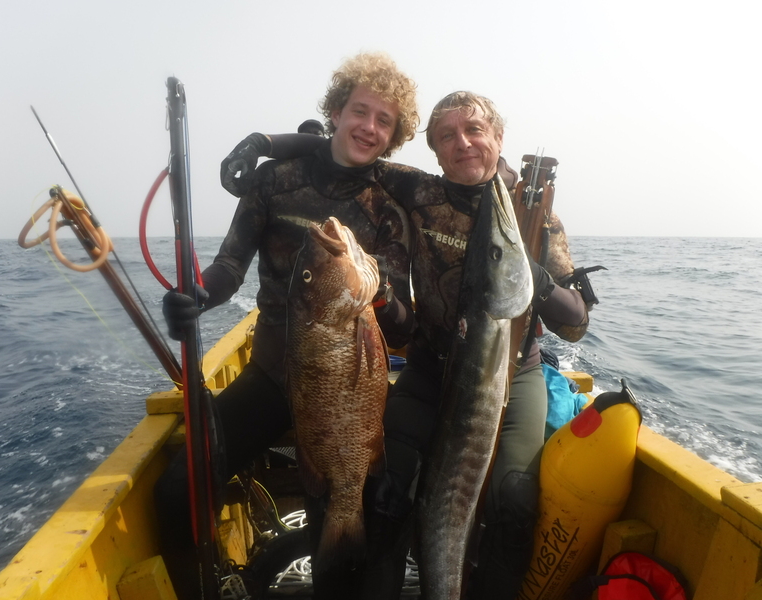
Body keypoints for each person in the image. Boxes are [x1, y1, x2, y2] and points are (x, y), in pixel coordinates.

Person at [225, 91, 592, 600]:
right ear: (435, 152)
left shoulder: (534, 218)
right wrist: (264, 143)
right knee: (385, 490)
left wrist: (536, 279)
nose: (463, 143)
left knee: (514, 499)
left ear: (498, 137)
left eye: (475, 130)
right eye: (447, 136)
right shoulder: (420, 192)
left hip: (511, 374)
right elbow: (345, 148)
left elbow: (575, 326)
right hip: (429, 369)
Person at [155, 51, 420, 600]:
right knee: (179, 489)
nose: (368, 127)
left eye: (384, 120)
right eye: (359, 111)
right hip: (276, 375)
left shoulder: (390, 205)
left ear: (393, 135)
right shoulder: (274, 181)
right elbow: (230, 265)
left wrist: (381, 293)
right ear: (336, 111)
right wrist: (198, 294)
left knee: (363, 514)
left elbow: (399, 328)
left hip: (350, 388)